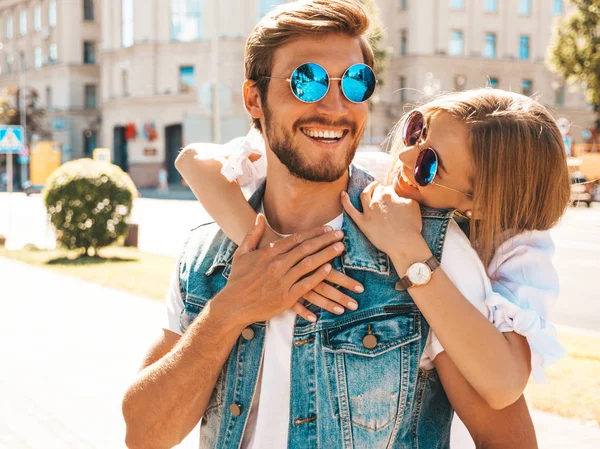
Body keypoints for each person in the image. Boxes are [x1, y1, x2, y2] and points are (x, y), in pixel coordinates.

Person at [123, 1, 548, 448]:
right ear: (254, 99)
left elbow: (509, 438)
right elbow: (144, 434)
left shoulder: (428, 249)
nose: (334, 106)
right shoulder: (208, 249)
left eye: (355, 82)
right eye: (306, 82)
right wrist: (230, 311)